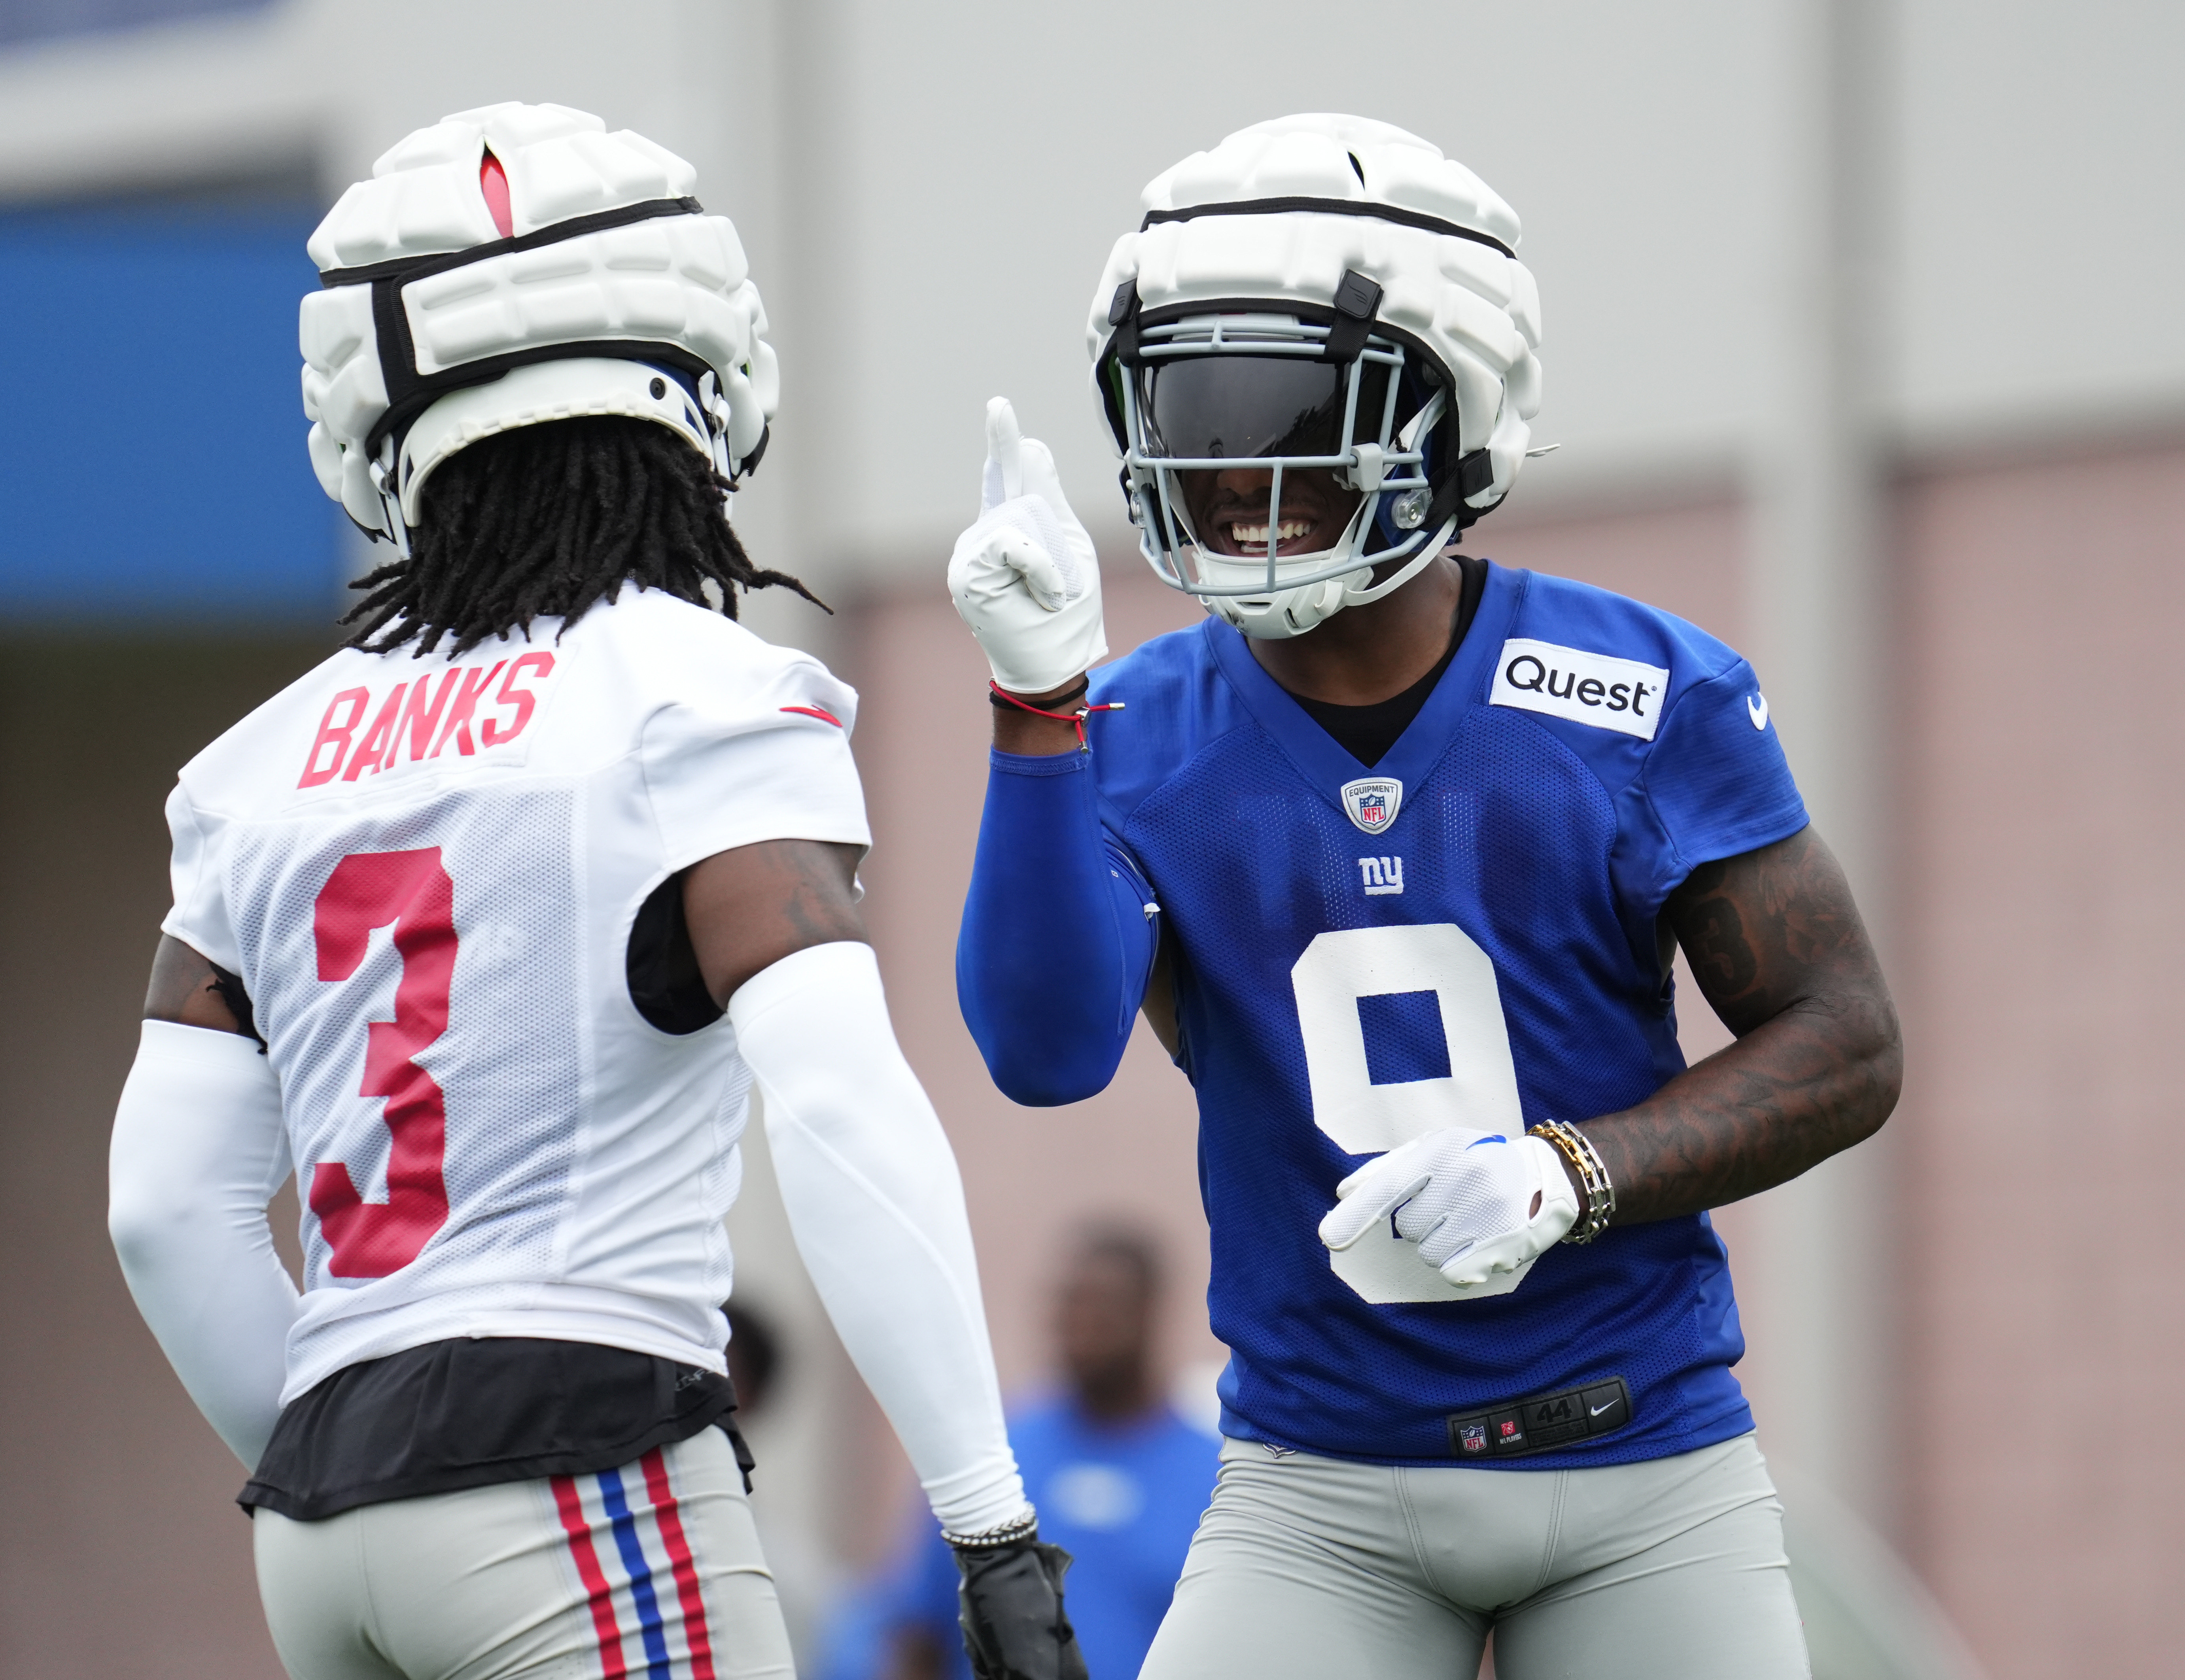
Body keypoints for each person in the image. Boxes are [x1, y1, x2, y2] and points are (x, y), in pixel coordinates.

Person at [107, 102, 1082, 1680]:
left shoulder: (251, 767)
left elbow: (163, 1210)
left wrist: (349, 1451)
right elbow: (835, 1102)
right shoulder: (698, 692)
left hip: (325, 1521)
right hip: (572, 1472)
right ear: (703, 366)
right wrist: (986, 1525)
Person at [947, 114, 1904, 1680]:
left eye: (1286, 411)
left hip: (1641, 1475)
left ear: (1454, 412)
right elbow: (1041, 1059)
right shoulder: (1125, 728)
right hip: (1316, 1490)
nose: (1229, 466)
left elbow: (1846, 1042)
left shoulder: (1636, 692)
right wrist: (1032, 704)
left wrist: (1572, 1172)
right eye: (1188, 408)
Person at [848, 1230, 1220, 1680]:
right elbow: (918, 1633)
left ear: (1149, 1312)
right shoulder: (991, 1457)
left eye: (1103, 1305)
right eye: (1071, 1303)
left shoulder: (1215, 1478)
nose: (1081, 1322)